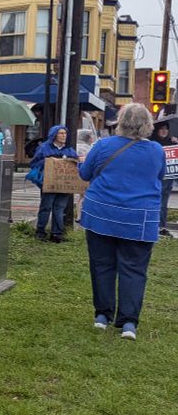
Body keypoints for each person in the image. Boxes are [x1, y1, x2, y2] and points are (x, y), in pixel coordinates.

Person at [79, 104, 164, 340]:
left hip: (101, 213)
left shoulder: (104, 145)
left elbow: (85, 173)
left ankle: (102, 316)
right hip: (140, 217)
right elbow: (158, 176)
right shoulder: (156, 151)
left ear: (120, 122)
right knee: (135, 269)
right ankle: (128, 323)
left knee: (102, 265)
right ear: (147, 124)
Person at [30, 125, 78, 243]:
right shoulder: (44, 148)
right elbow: (34, 163)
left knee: (59, 209)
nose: (63, 136)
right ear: (54, 135)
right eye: (61, 133)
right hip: (49, 183)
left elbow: (76, 164)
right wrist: (50, 160)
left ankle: (57, 234)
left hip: (64, 184)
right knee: (45, 207)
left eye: (65, 133)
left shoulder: (69, 149)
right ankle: (40, 232)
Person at [150, 121, 177, 237]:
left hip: (168, 179)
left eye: (166, 129)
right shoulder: (152, 143)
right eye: (161, 128)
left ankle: (162, 227)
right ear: (157, 130)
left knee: (164, 204)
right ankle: (154, 226)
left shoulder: (171, 142)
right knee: (155, 203)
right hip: (155, 178)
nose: (164, 131)